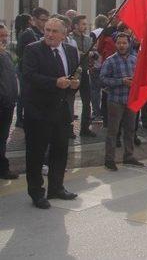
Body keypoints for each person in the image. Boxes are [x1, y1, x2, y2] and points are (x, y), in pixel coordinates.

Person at [22, 18, 80, 209]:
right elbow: (30, 76)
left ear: (64, 35)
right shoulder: (33, 50)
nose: (49, 34)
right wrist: (55, 82)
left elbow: (73, 75)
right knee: (36, 153)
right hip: (38, 111)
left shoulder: (71, 51)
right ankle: (37, 192)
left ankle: (56, 187)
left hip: (61, 111)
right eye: (47, 30)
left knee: (60, 150)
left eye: (55, 31)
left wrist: (74, 84)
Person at [100, 33, 144, 171]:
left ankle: (129, 156)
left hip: (131, 101)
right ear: (116, 44)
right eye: (119, 43)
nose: (122, 45)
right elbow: (102, 79)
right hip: (116, 101)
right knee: (113, 131)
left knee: (130, 130)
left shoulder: (134, 59)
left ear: (129, 44)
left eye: (124, 43)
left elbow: (140, 76)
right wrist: (121, 81)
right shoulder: (110, 61)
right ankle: (109, 159)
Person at [71, 15, 96, 137]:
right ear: (75, 25)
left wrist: (93, 54)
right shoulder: (69, 39)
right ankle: (69, 129)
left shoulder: (88, 39)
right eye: (83, 24)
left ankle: (85, 128)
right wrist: (82, 54)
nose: (85, 26)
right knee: (69, 101)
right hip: (73, 73)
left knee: (87, 101)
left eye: (86, 24)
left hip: (85, 72)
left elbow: (95, 51)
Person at [0, 24, 19, 180]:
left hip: (8, 104)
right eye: (1, 36)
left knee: (2, 138)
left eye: (5, 35)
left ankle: (2, 167)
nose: (4, 39)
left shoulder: (5, 55)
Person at [13, 13, 35, 129]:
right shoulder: (28, 33)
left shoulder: (21, 32)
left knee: (22, 94)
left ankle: (20, 118)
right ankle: (20, 119)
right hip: (24, 66)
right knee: (23, 95)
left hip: (21, 66)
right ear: (29, 21)